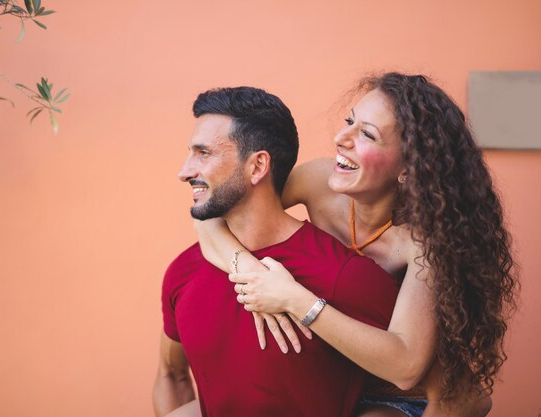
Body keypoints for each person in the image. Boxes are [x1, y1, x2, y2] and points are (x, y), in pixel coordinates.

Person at [192, 73, 518, 417]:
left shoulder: (423, 242)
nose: (340, 138)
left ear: (408, 167)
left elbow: (405, 366)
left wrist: (293, 297)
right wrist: (252, 273)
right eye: (350, 121)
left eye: (366, 134)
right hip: (338, 376)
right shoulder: (317, 181)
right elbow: (213, 213)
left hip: (411, 395)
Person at [153, 86, 402, 417]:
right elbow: (171, 374)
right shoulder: (183, 271)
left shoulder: (348, 277)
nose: (184, 171)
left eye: (204, 153)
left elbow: (435, 387)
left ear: (257, 166)